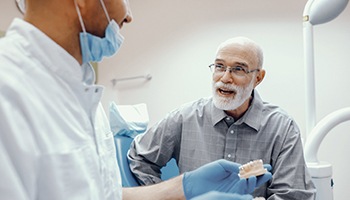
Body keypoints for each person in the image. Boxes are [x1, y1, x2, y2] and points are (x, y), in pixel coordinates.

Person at [0, 0, 272, 199]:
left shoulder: (81, 91)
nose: (128, 15)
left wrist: (184, 187)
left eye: (238, 69)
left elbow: (103, 196)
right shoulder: (9, 93)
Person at [128, 36, 317, 199]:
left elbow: (293, 195)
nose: (225, 78)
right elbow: (140, 158)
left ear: (258, 78)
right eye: (219, 66)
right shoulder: (185, 118)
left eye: (238, 69)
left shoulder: (282, 128)